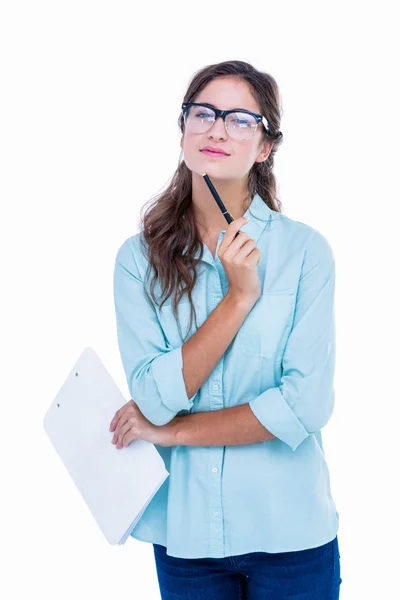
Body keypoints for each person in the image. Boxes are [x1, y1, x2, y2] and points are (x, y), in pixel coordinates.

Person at [111, 59, 342, 599]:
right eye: (204, 113)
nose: (217, 128)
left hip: (292, 535)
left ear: (264, 147)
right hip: (187, 539)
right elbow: (153, 396)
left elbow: (304, 407)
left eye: (240, 119)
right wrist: (238, 298)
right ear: (184, 130)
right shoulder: (137, 260)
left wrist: (170, 435)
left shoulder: (306, 252)